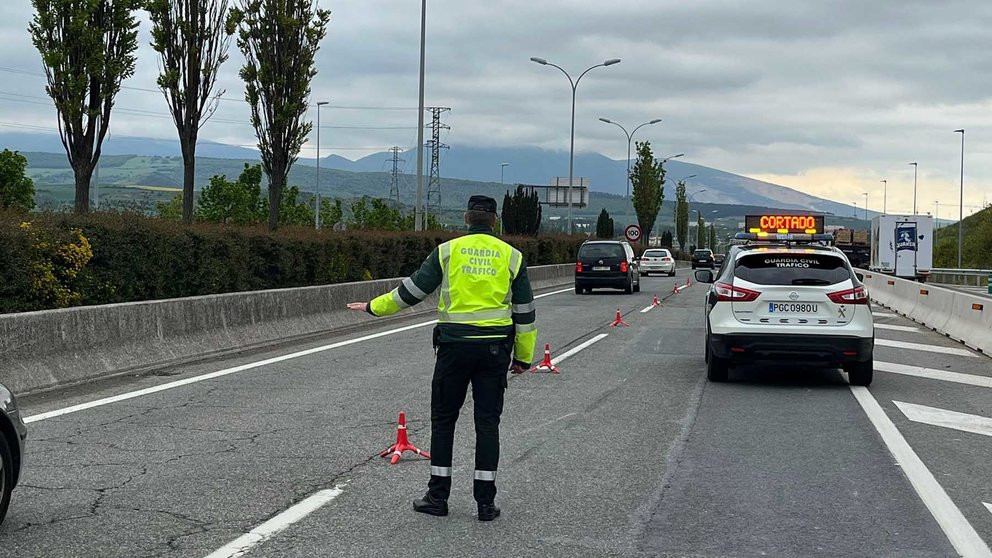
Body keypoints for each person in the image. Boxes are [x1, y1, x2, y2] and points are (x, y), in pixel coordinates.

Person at [347, 195, 537, 521]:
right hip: (494, 352)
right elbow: (525, 313)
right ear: (494, 221)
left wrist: (373, 307)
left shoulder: (448, 252)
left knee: (444, 422)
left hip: (454, 350)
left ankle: (438, 497)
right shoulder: (512, 257)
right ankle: (485, 504)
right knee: (487, 424)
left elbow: (412, 292)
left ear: (466, 218)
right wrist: (523, 357)